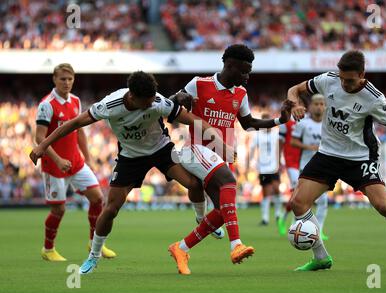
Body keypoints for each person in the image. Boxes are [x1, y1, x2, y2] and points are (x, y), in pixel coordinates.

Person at [30, 71, 223, 274]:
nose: (151, 105)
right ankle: (93, 257)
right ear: (132, 97)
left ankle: (202, 221)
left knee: (194, 184)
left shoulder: (158, 101)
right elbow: (75, 123)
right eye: (146, 103)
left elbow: (193, 120)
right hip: (131, 158)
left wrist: (218, 139)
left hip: (161, 150)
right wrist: (43, 145)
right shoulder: (110, 106)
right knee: (111, 208)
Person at [287, 50, 386, 272]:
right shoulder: (329, 80)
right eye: (342, 79)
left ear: (362, 75)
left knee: (384, 206)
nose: (344, 84)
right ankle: (321, 257)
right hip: (328, 154)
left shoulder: (374, 98)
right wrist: (294, 103)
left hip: (360, 157)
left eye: (349, 80)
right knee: (298, 202)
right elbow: (295, 90)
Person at [167, 44, 295, 275]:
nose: (247, 77)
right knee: (228, 182)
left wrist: (279, 121)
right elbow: (168, 106)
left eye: (249, 72)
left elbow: (249, 124)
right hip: (195, 149)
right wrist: (178, 97)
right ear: (229, 66)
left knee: (222, 212)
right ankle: (236, 245)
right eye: (244, 71)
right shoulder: (199, 84)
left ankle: (181, 247)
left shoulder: (241, 94)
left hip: (221, 157)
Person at [34, 63, 115, 261]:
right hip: (54, 166)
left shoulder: (76, 101)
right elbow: (39, 138)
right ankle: (48, 249)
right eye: (63, 79)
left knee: (98, 199)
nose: (67, 83)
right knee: (59, 209)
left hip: (76, 162)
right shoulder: (46, 104)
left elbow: (79, 131)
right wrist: (58, 159)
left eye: (70, 79)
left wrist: (87, 158)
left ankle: (94, 243)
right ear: (54, 79)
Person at [289, 94, 329, 240]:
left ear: (325, 106)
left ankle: (319, 231)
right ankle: (296, 227)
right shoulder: (303, 123)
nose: (319, 106)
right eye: (316, 104)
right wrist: (309, 147)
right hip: (306, 167)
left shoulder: (329, 123)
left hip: (325, 167)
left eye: (322, 104)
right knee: (302, 200)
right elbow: (293, 142)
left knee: (323, 201)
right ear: (311, 106)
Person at [249, 113, 283, 227]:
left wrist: (280, 162)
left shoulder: (276, 134)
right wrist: (252, 164)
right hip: (263, 168)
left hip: (274, 166)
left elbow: (279, 149)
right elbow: (252, 150)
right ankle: (265, 218)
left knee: (277, 188)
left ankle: (278, 214)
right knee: (266, 193)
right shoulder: (257, 135)